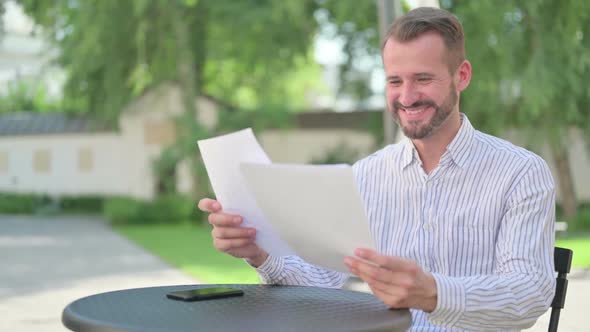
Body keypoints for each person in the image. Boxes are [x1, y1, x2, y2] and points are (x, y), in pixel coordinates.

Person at [198, 7, 556, 331]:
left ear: (461, 76)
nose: (407, 96)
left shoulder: (520, 173)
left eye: (423, 79)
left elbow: (527, 295)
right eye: (395, 81)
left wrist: (433, 292)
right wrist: (258, 252)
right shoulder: (366, 175)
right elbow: (321, 281)